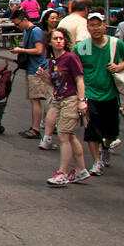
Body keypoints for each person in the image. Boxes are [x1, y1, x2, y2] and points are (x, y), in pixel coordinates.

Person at [74, 13, 124, 175]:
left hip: (111, 95)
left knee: (111, 132)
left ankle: (105, 148)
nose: (96, 28)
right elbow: (74, 68)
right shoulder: (81, 47)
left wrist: (119, 67)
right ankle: (96, 162)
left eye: (98, 24)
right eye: (92, 25)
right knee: (93, 130)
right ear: (88, 27)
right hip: (90, 94)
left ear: (104, 26)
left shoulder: (115, 43)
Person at [41, 30, 88, 185]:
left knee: (63, 136)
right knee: (71, 136)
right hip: (59, 99)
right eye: (56, 38)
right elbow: (55, 83)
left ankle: (62, 172)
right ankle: (81, 170)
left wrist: (81, 100)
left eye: (61, 38)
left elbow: (79, 79)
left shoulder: (70, 58)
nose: (59, 41)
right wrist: (44, 77)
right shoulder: (53, 61)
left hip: (71, 99)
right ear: (50, 42)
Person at [9, 8, 49, 139]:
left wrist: (21, 50)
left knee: (36, 99)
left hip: (37, 68)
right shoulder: (27, 31)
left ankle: (36, 128)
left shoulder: (35, 31)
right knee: (33, 99)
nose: (17, 26)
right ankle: (34, 127)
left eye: (17, 23)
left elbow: (39, 50)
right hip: (31, 67)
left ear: (25, 19)